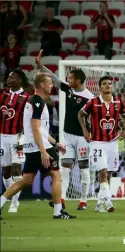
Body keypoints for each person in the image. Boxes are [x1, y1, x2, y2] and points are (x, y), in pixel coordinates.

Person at [0, 72, 76, 220]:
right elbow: (35, 128)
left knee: (26, 180)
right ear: (41, 85)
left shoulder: (33, 100)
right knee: (56, 175)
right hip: (39, 147)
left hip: (32, 146)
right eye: (49, 83)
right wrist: (43, 151)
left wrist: (55, 143)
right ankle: (58, 212)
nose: (52, 85)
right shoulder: (38, 102)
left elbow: (40, 129)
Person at [36, 50, 94, 211]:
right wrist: (41, 66)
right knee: (65, 168)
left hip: (82, 137)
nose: (67, 80)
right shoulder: (68, 90)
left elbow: (93, 119)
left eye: (70, 78)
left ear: (79, 80)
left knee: (84, 169)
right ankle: (62, 199)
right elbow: (54, 79)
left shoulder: (89, 98)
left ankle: (83, 201)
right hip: (67, 135)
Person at [78, 76, 125, 213]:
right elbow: (80, 114)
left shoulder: (118, 102)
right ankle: (109, 202)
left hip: (113, 142)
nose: (108, 86)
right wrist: (85, 130)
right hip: (97, 143)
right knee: (103, 171)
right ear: (99, 87)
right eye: (104, 84)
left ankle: (100, 204)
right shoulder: (93, 102)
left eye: (110, 84)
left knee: (110, 172)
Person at [0, 70, 31, 213]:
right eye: (9, 76)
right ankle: (12, 198)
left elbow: (28, 121)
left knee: (16, 169)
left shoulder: (26, 97)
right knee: (5, 171)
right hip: (2, 136)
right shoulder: (2, 94)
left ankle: (15, 202)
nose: (9, 79)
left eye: (13, 77)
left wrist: (23, 139)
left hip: (17, 136)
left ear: (20, 80)